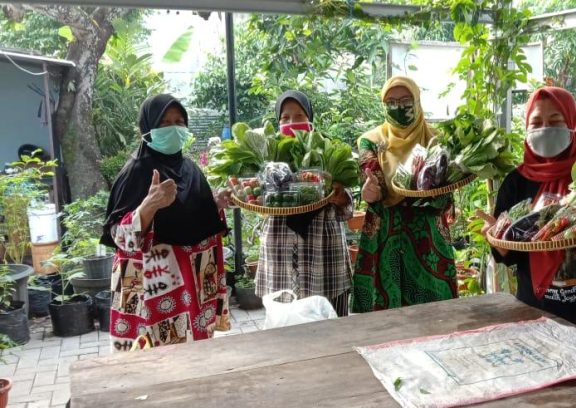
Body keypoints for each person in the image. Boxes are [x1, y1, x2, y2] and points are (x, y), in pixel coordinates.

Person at [480, 86, 576, 345]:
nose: (545, 129)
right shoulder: (516, 182)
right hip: (538, 312)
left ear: (571, 123)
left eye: (555, 121)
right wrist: (498, 240)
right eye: (536, 122)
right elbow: (509, 253)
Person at [101, 94, 233, 351]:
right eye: (164, 123)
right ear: (147, 129)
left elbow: (196, 217)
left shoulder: (190, 168)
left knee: (195, 353)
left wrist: (216, 203)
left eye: (179, 121)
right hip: (155, 289)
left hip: (193, 286)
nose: (173, 128)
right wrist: (149, 206)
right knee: (155, 359)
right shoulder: (136, 171)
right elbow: (118, 235)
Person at [351, 76, 457, 312]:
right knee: (380, 320)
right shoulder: (370, 140)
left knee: (434, 315)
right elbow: (371, 182)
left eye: (405, 100)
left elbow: (443, 196)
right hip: (382, 237)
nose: (398, 106)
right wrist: (370, 193)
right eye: (391, 101)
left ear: (417, 101)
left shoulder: (437, 139)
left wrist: (391, 196)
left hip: (428, 239)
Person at [254, 90, 353, 317]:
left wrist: (340, 198)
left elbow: (348, 210)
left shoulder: (327, 149)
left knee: (332, 323)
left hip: (324, 253)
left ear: (310, 118)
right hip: (280, 254)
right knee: (286, 328)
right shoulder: (267, 155)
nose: (292, 123)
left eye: (299, 116)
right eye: (285, 118)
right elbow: (255, 197)